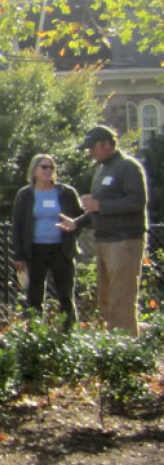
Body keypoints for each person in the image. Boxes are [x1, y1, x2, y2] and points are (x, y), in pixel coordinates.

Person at [61, 125, 147, 336]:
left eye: (93, 147)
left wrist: (100, 205)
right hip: (105, 240)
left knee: (122, 298)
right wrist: (78, 223)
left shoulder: (128, 167)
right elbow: (97, 208)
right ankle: (113, 345)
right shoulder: (102, 170)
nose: (90, 152)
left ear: (107, 144)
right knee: (106, 297)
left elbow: (137, 201)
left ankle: (126, 349)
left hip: (124, 240)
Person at [12, 154, 84, 331]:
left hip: (61, 249)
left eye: (51, 167)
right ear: (34, 170)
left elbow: (80, 218)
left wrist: (72, 233)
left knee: (65, 294)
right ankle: (36, 333)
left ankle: (69, 332)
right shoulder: (25, 195)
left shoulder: (66, 192)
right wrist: (19, 255)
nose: (48, 171)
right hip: (35, 250)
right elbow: (18, 226)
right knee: (34, 295)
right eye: (44, 167)